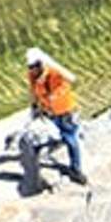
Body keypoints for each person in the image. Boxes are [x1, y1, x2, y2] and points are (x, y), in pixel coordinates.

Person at [24, 48, 87, 185]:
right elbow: (33, 90)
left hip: (65, 112)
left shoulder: (55, 73)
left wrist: (50, 97)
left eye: (34, 66)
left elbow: (69, 81)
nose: (32, 70)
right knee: (42, 136)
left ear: (41, 64)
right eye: (30, 67)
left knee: (71, 139)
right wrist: (35, 106)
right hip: (48, 112)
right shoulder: (32, 75)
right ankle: (52, 148)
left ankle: (76, 169)